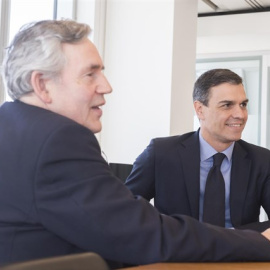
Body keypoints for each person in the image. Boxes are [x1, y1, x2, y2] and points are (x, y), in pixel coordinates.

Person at [1, 20, 270, 269]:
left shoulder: (13, 128)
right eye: (90, 74)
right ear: (42, 85)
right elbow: (140, 231)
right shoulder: (58, 140)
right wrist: (259, 242)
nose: (106, 86)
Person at [125, 68, 270, 232]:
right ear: (200, 109)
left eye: (243, 104)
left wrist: (233, 236)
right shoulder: (161, 153)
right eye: (227, 105)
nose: (240, 114)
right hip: (177, 254)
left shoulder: (262, 160)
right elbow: (125, 212)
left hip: (238, 254)